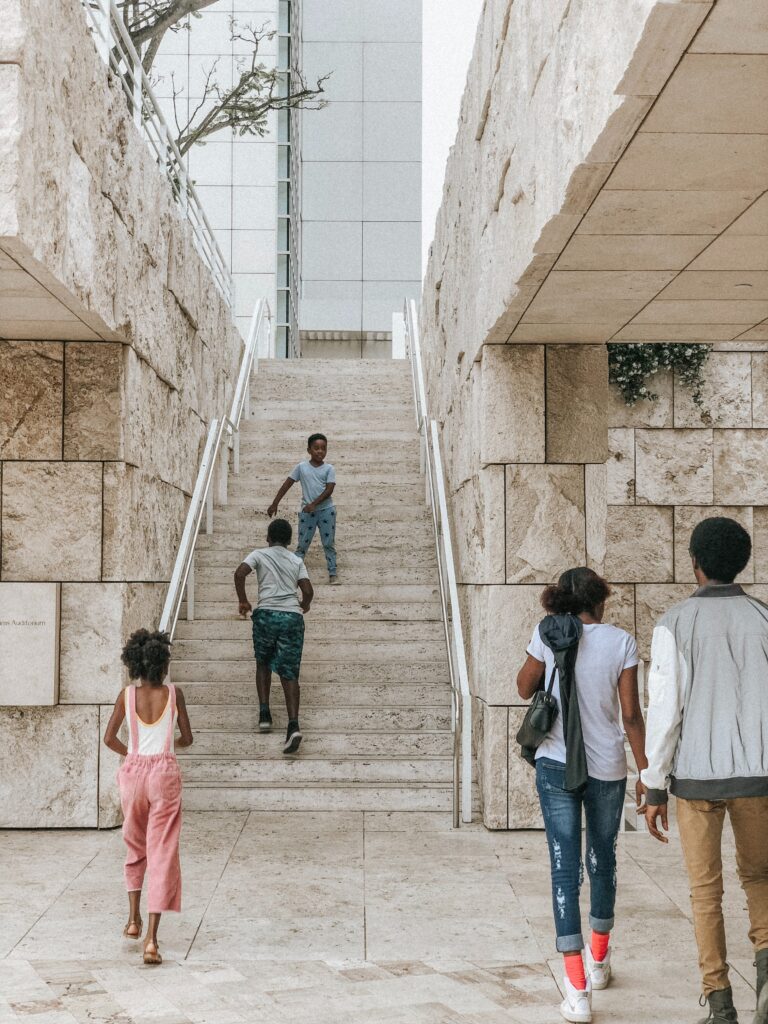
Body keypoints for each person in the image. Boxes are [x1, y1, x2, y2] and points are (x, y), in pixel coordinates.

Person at [642, 517, 768, 1024]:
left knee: (705, 890)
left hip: (695, 780)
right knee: (761, 878)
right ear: (743, 561)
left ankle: (720, 1004)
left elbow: (665, 712)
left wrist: (653, 785)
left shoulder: (674, 624)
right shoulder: (764, 618)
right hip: (759, 777)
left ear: (693, 561)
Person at [516, 567, 647, 1024]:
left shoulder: (547, 633)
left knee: (563, 868)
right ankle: (598, 960)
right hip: (608, 767)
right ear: (600, 599)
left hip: (555, 765)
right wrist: (646, 771)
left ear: (560, 599)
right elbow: (630, 715)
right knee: (602, 860)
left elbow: (522, 686)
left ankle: (576, 991)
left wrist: (549, 657)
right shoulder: (622, 641)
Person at [103, 629, 193, 966]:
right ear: (162, 662)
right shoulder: (174, 694)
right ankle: (152, 941)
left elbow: (109, 738)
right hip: (164, 774)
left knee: (135, 845)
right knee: (163, 851)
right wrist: (168, 747)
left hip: (134, 773)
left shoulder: (126, 695)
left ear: (136, 663)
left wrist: (133, 754)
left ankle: (132, 921)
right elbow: (187, 737)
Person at [234, 517, 314, 754]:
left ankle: (264, 713)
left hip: (266, 615)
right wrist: (304, 605)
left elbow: (239, 574)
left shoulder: (258, 554)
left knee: (263, 663)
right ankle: (293, 725)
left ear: (268, 538)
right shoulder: (296, 560)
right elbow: (308, 590)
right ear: (290, 540)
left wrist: (243, 600)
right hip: (291, 617)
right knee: (290, 672)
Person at [267, 432, 338, 584]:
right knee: (302, 544)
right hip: (307, 513)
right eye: (316, 448)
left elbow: (329, 489)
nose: (320, 451)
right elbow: (287, 484)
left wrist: (314, 504)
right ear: (309, 450)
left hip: (326, 511)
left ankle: (333, 573)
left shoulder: (329, 469)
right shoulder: (301, 467)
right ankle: (294, 574)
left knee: (328, 543)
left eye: (323, 448)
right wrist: (275, 503)